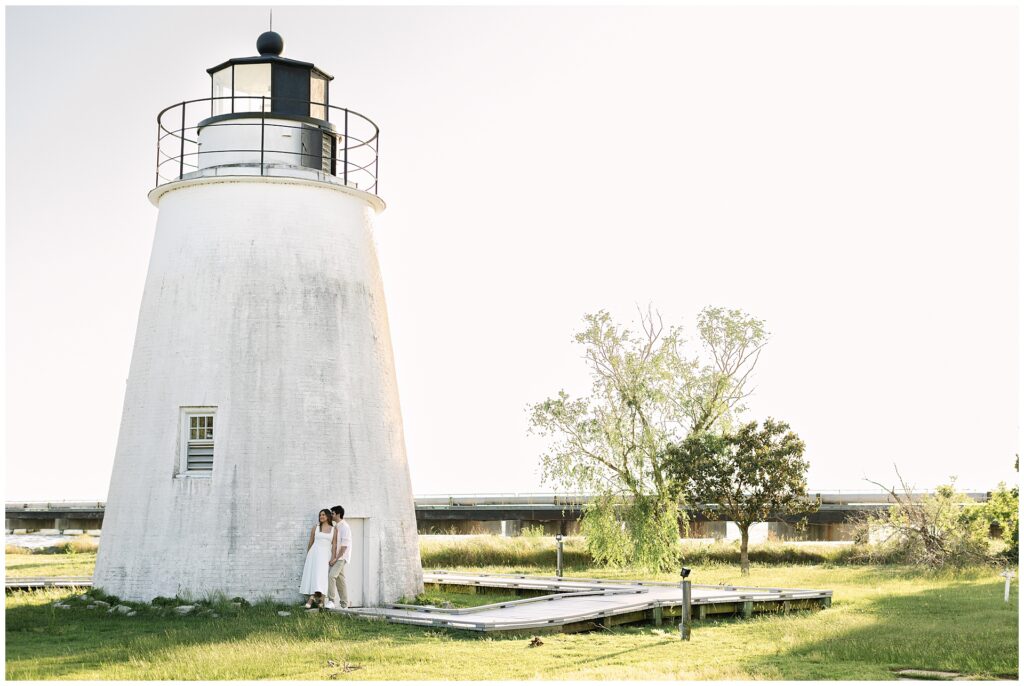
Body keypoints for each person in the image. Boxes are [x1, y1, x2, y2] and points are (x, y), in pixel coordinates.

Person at [299, 508, 337, 609]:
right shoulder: (315, 527)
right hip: (314, 554)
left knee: (323, 577)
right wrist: (308, 555)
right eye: (320, 515)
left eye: (323, 515)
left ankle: (321, 599)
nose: (321, 517)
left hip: (326, 555)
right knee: (315, 576)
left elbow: (334, 545)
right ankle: (312, 598)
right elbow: (310, 542)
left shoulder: (334, 529)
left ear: (328, 516)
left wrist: (333, 557)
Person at [326, 504, 352, 609]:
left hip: (341, 558)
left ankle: (331, 601)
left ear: (338, 514)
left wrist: (335, 559)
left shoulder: (345, 527)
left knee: (331, 576)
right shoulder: (337, 526)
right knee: (340, 581)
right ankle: (344, 605)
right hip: (337, 557)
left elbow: (344, 546)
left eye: (332, 513)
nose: (331, 515)